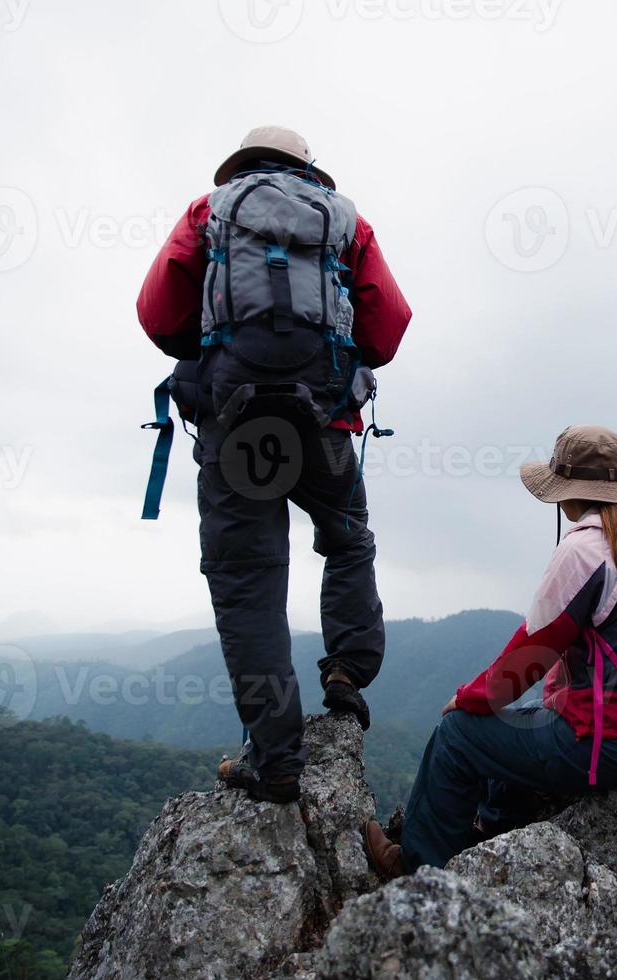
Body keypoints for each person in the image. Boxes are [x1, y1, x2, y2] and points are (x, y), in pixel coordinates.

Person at [137, 126, 412, 803]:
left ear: (241, 166)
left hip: (236, 423)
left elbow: (156, 312)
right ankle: (347, 668)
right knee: (348, 539)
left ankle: (277, 757)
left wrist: (210, 346)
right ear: (308, 168)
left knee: (248, 580)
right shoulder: (347, 221)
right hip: (322, 424)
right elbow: (389, 325)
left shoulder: (210, 212)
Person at [364, 425, 617, 876]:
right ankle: (494, 838)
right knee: (523, 718)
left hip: (602, 743)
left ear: (567, 493)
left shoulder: (585, 550)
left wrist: (469, 697)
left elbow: (531, 653)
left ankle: (417, 866)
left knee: (458, 734)